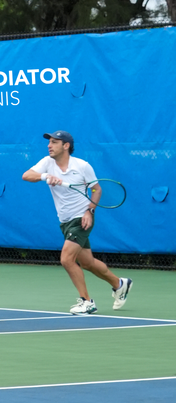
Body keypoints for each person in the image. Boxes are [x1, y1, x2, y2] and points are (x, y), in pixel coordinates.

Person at [22, 130, 132, 314]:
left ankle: (86, 302)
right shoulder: (47, 163)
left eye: (54, 142)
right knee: (87, 263)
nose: (49, 145)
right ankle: (119, 284)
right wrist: (45, 176)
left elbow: (97, 190)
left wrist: (89, 211)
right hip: (64, 221)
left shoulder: (82, 166)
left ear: (66, 146)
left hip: (81, 218)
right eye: (49, 142)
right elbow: (26, 175)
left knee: (66, 259)